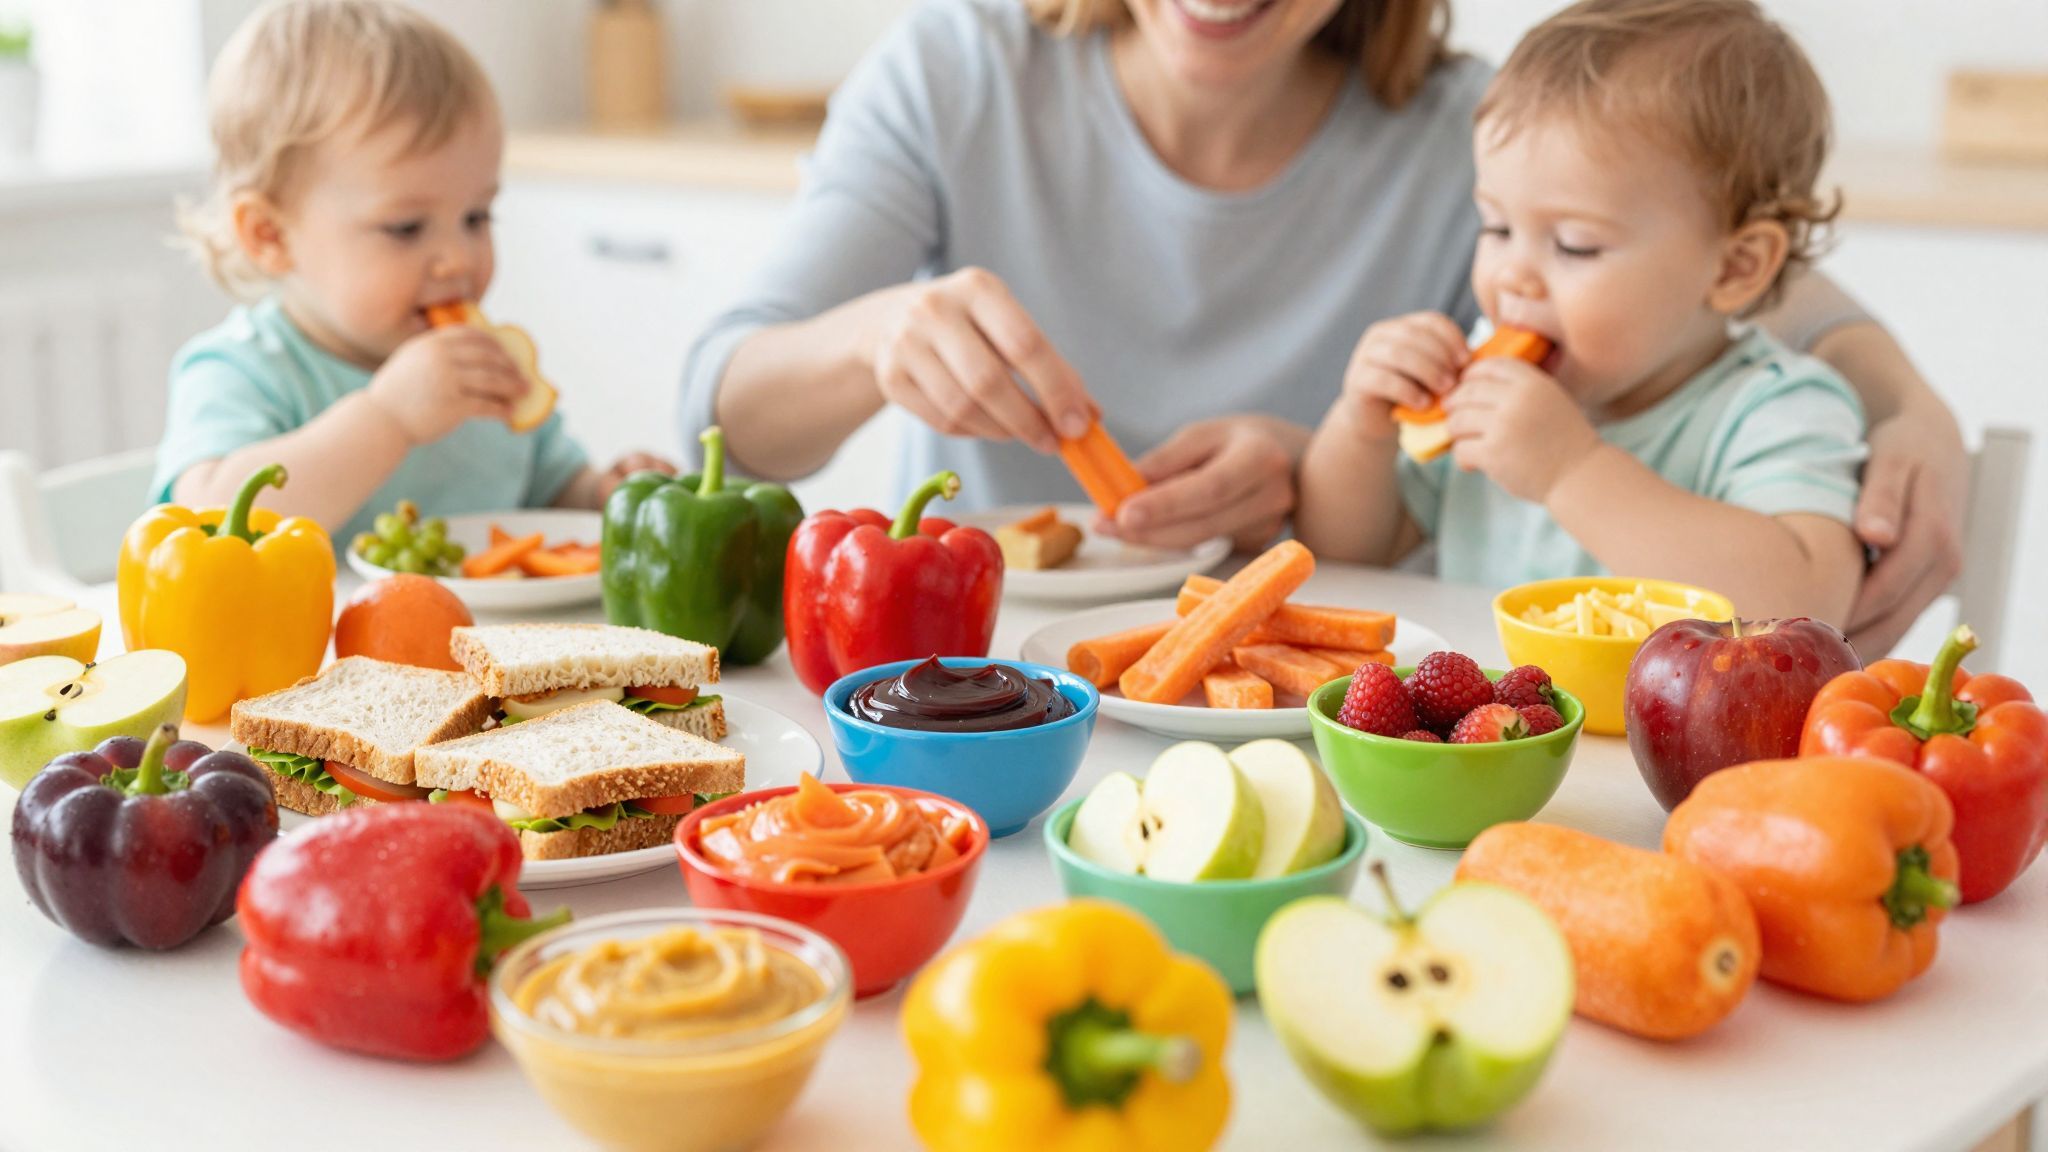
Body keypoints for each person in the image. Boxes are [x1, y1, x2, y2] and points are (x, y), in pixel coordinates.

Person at [680, 0, 1963, 657]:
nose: (1516, 274)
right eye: (1502, 235)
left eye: (1559, 246)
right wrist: (875, 338)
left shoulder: (1479, 129)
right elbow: (717, 416)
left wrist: (1908, 401)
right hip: (998, 673)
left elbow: (1748, 267)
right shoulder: (955, 72)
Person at [1297, 0, 1863, 623]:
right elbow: (1343, 552)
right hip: (1495, 721)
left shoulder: (1772, 409)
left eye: (1574, 244)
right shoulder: (1485, 390)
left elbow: (1806, 604)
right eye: (1496, 227)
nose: (1512, 273)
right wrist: (1361, 429)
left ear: (1734, 267)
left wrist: (1572, 472)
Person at [156, 0, 670, 546]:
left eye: (476, 217)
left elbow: (550, 488)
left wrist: (604, 495)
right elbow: (209, 523)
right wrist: (387, 418)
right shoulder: (244, 372)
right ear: (271, 235)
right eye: (405, 228)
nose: (460, 259)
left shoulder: (484, 368)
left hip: (485, 634)